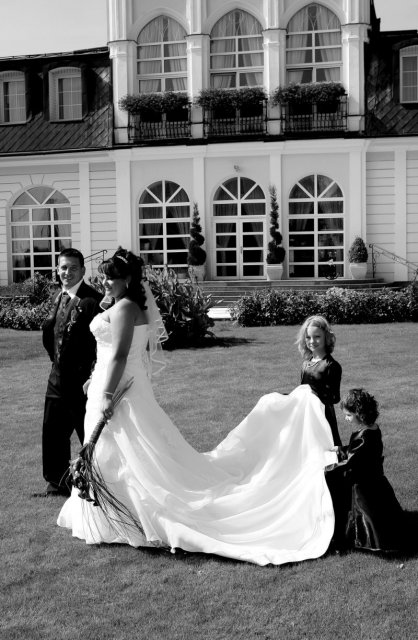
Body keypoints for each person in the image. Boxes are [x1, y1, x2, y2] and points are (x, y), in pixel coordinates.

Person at [58, 248, 338, 566]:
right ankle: (110, 513)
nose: (106, 282)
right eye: (104, 277)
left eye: (112, 277)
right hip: (110, 381)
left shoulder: (124, 308)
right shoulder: (122, 305)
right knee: (116, 449)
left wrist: (108, 393)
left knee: (128, 449)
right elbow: (113, 352)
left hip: (117, 387)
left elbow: (121, 355)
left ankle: (128, 515)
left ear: (128, 279)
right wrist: (95, 378)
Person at [41, 248, 102, 497]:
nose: (67, 272)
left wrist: (92, 375)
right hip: (56, 378)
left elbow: (101, 344)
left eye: (73, 268)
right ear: (57, 269)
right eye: (63, 267)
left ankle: (103, 481)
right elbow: (51, 332)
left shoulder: (93, 301)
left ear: (83, 270)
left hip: (81, 382)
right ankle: (58, 483)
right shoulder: (58, 296)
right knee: (52, 430)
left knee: (89, 432)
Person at [325, 389, 406, 553]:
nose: (346, 419)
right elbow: (357, 451)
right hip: (375, 477)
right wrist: (341, 449)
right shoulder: (372, 429)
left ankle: (368, 538)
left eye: (349, 415)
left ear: (359, 414)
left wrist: (328, 469)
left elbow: (351, 462)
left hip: (364, 482)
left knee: (367, 512)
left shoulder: (364, 435)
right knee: (382, 511)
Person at [296, 315, 342, 446]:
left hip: (323, 416)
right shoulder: (306, 364)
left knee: (324, 447)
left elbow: (334, 398)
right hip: (306, 415)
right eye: (308, 337)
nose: (312, 341)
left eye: (317, 336)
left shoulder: (331, 366)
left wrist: (314, 396)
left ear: (326, 337)